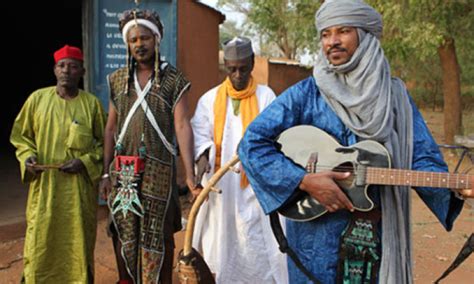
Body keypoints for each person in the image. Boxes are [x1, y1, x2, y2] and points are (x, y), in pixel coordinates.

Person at [238, 0, 473, 283]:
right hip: (315, 242)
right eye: (325, 34)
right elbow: (252, 144)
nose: (332, 42)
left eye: (343, 31)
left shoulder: (395, 97)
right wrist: (303, 180)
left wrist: (458, 187)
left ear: (365, 36)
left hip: (377, 237)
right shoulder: (306, 94)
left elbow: (421, 158)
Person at [99, 9, 196, 284]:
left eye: (145, 38)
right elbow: (110, 128)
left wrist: (188, 174)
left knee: (160, 234)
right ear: (127, 44)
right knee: (122, 230)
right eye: (133, 40)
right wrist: (106, 173)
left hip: (159, 171)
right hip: (124, 172)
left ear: (156, 39)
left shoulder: (173, 80)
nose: (139, 44)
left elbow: (182, 126)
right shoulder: (117, 80)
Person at [191, 36, 288, 283]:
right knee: (220, 246)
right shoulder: (210, 99)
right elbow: (201, 138)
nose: (237, 75)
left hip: (256, 188)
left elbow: (278, 138)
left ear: (253, 63)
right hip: (221, 188)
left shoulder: (267, 97)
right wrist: (201, 166)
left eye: (243, 68)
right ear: (225, 67)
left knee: (257, 246)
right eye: (232, 69)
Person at [10, 45, 106, 283]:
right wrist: (28, 157)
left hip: (78, 193)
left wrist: (84, 162)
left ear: (82, 72)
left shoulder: (91, 105)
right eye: (62, 66)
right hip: (45, 189)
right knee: (41, 238)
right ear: (54, 70)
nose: (67, 71)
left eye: (73, 66)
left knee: (77, 241)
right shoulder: (37, 100)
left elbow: (106, 144)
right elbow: (21, 137)